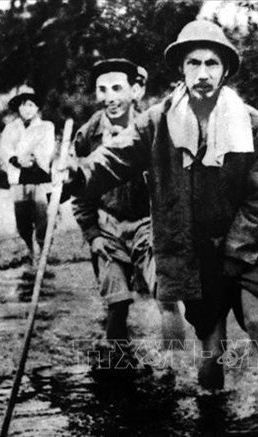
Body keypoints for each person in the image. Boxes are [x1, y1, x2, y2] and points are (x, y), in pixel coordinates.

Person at [65, 21, 258, 395]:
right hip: (196, 250)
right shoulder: (158, 121)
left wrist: (236, 250)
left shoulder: (251, 123)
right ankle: (212, 413)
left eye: (211, 63)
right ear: (181, 69)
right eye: (193, 63)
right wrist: (79, 176)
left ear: (225, 69)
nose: (202, 73)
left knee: (255, 317)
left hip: (248, 247)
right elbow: (114, 158)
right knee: (211, 353)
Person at [71, 59, 184, 343]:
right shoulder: (87, 135)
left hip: (150, 224)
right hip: (108, 226)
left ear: (135, 91)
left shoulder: (155, 129)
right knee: (117, 304)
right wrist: (92, 234)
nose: (110, 98)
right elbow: (80, 191)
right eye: (102, 89)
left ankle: (176, 370)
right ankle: (119, 373)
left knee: (168, 298)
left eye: (117, 88)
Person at [0, 86, 55, 268]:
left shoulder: (46, 127)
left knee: (42, 219)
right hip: (19, 176)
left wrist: (30, 158)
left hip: (39, 175)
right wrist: (16, 159)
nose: (27, 109)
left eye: (31, 105)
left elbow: (46, 149)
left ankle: (43, 255)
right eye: (23, 105)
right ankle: (30, 251)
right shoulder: (11, 128)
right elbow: (5, 148)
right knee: (22, 220)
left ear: (37, 107)